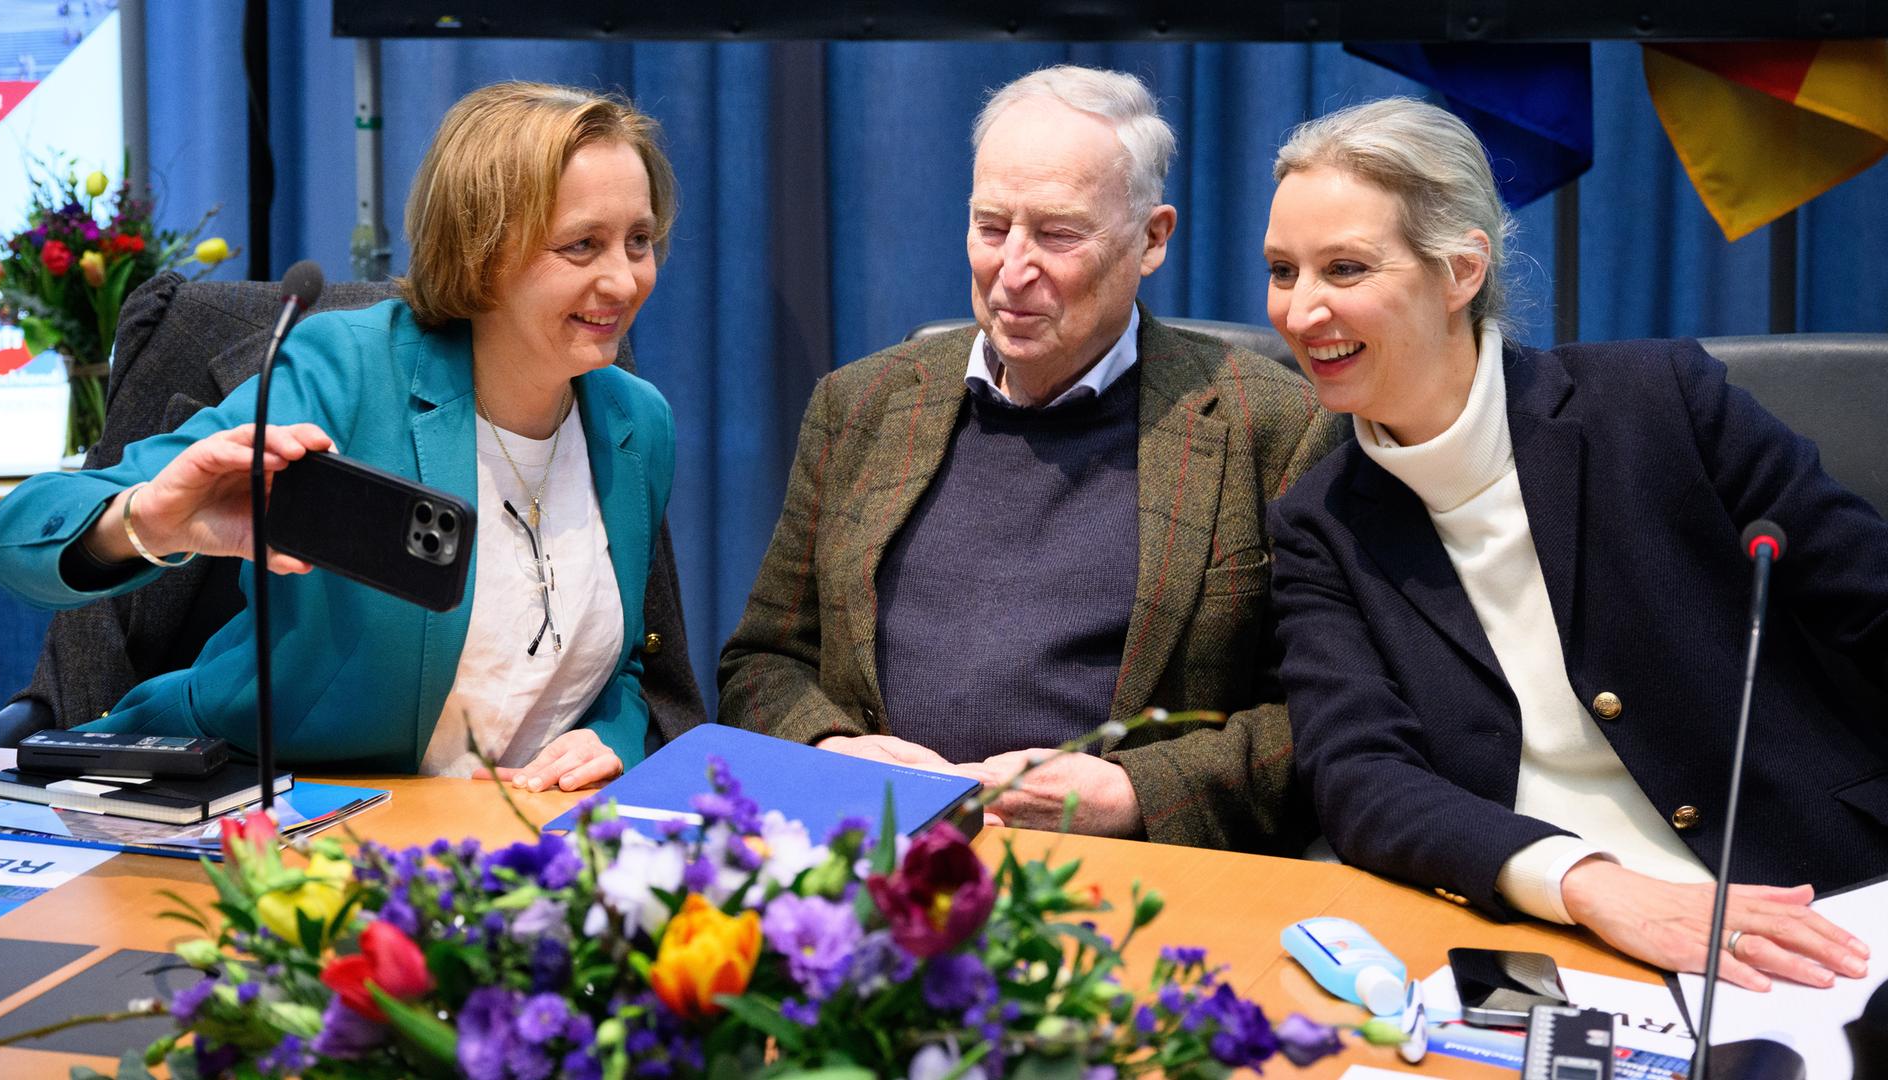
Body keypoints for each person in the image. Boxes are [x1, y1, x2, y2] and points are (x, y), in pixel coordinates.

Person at [1264, 97, 1888, 990]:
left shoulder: (1661, 405)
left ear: (1461, 271)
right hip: (1551, 935)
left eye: (1346, 268)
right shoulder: (1319, 521)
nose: (1301, 309)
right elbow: (1358, 773)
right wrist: (1586, 882)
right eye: (1283, 271)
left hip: (1817, 906)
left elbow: (1875, 605)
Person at [0, 82, 680, 791]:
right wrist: (146, 521)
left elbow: (614, 658)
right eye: (583, 245)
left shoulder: (636, 423)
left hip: (490, 841)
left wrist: (612, 733)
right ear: (482, 248)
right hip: (250, 804)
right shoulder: (344, 371)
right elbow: (16, 537)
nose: (624, 280)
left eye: (639, 241)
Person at [718, 65, 1341, 850]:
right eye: (990, 227)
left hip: (1118, 876)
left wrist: (1134, 791)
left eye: (1058, 233)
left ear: (1151, 239)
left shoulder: (1273, 426)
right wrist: (830, 751)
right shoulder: (862, 406)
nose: (1012, 270)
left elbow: (1321, 717)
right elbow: (763, 663)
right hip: (874, 857)